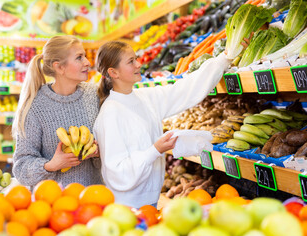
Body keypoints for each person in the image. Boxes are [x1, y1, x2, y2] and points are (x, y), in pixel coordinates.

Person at [93, 41, 232, 208]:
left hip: (150, 200)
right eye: (131, 61)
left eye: (136, 58)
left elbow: (184, 90)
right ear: (113, 72)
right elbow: (117, 172)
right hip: (127, 206)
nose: (139, 64)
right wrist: (155, 150)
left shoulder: (144, 97)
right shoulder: (110, 113)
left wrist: (224, 59)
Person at [12, 35, 103, 189]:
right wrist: (51, 165)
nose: (87, 62)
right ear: (59, 67)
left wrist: (99, 152)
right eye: (79, 58)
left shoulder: (95, 95)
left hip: (93, 197)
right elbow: (21, 168)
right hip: (51, 201)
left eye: (85, 56)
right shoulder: (34, 106)